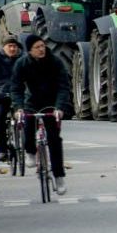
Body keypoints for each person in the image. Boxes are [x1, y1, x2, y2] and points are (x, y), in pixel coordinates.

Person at [10, 35, 72, 195]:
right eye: (37, 47)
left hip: (52, 104)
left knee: (54, 140)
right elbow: (16, 88)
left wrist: (59, 107)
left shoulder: (55, 62)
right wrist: (19, 108)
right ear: (29, 50)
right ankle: (30, 151)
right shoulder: (22, 64)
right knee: (27, 124)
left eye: (42, 46)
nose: (41, 49)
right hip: (32, 102)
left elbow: (64, 86)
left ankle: (59, 176)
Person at [0, 36, 22, 161]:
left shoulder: (22, 57)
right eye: (10, 46)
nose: (12, 49)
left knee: (29, 115)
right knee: (0, 117)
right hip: (1, 93)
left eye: (15, 46)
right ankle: (2, 150)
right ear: (3, 47)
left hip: (18, 93)